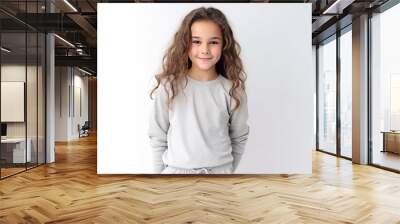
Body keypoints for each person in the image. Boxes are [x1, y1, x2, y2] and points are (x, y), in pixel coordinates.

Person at [148, 7, 249, 174]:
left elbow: (239, 137)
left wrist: (227, 171)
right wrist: (159, 179)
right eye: (196, 41)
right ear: (185, 43)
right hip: (175, 176)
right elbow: (157, 136)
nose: (205, 50)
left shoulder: (233, 91)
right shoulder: (169, 87)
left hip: (219, 176)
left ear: (224, 45)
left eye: (213, 42)